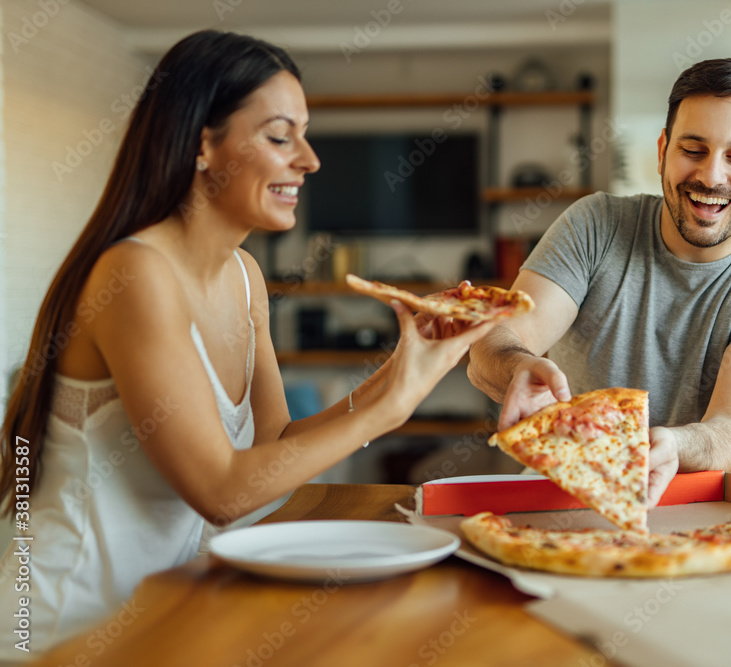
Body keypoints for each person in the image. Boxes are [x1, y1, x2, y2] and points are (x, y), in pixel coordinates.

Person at [0, 30, 496, 658]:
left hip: (160, 621)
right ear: (204, 145)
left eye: (305, 134)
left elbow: (273, 459)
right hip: (58, 630)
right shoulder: (135, 275)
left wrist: (405, 372)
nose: (310, 160)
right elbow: (222, 491)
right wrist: (391, 408)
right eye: (281, 136)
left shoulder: (244, 275)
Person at [468, 58, 731, 505]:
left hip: (717, 507)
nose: (712, 176)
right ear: (662, 151)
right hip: (574, 494)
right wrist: (519, 366)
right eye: (693, 150)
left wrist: (669, 446)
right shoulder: (593, 224)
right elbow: (490, 346)